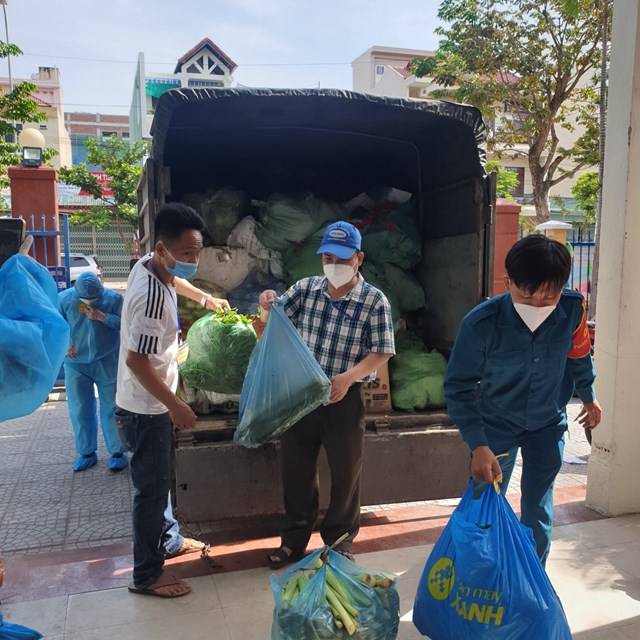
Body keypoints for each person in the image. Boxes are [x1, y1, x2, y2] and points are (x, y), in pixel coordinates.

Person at [444, 234, 602, 566]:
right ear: (508, 282)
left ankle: (532, 580)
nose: (537, 306)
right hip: (494, 427)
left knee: (537, 511)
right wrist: (477, 444)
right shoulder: (481, 323)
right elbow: (458, 388)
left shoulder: (572, 311)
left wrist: (589, 398)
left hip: (547, 424)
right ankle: (479, 577)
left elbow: (579, 356)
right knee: (485, 502)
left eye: (549, 297)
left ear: (563, 286)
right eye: (526, 295)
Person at [258, 221, 396, 569]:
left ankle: (339, 541)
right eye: (328, 258)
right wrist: (264, 306)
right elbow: (271, 323)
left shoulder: (374, 301)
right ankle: (293, 540)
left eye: (342, 258)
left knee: (347, 473)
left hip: (344, 401)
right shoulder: (305, 290)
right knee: (297, 471)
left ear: (359, 258)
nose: (333, 265)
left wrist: (349, 378)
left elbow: (381, 352)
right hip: (302, 398)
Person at [115, 202, 229, 598]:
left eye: (197, 252)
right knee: (149, 491)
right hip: (145, 408)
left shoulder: (150, 264)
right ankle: (146, 574)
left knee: (159, 479)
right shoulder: (148, 297)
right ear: (163, 250)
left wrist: (205, 298)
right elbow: (136, 361)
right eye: (186, 255)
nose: (193, 260)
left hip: (152, 404)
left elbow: (175, 282)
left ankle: (169, 539)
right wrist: (175, 405)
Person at [59, 272, 127, 472]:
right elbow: (54, 326)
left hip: (106, 360)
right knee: (80, 407)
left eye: (94, 300)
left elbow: (126, 323)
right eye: (86, 300)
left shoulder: (114, 299)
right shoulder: (63, 300)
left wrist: (103, 317)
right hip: (75, 363)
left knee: (111, 407)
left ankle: (117, 452)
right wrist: (64, 344)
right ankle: (86, 452)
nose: (90, 302)